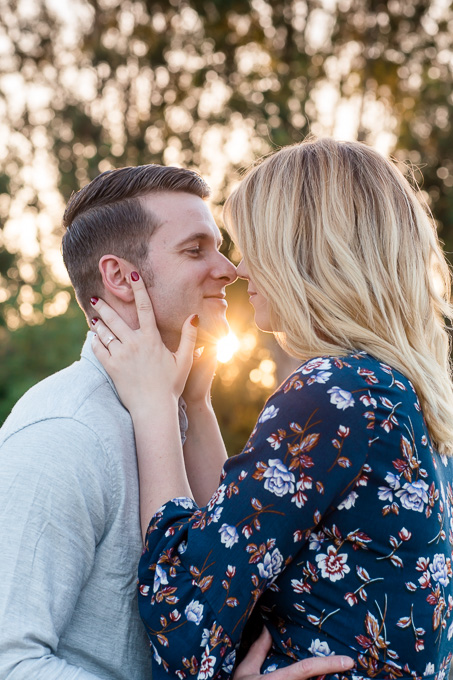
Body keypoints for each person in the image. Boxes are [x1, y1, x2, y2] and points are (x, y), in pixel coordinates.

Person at [91, 138, 453, 680]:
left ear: (305, 252)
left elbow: (186, 617)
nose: (236, 269)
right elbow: (238, 538)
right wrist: (195, 403)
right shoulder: (391, 391)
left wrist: (154, 407)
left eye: (252, 243)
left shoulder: (336, 389)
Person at [0, 162, 352, 680]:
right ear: (120, 277)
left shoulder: (178, 412)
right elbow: (11, 660)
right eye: (195, 251)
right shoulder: (63, 434)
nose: (229, 270)